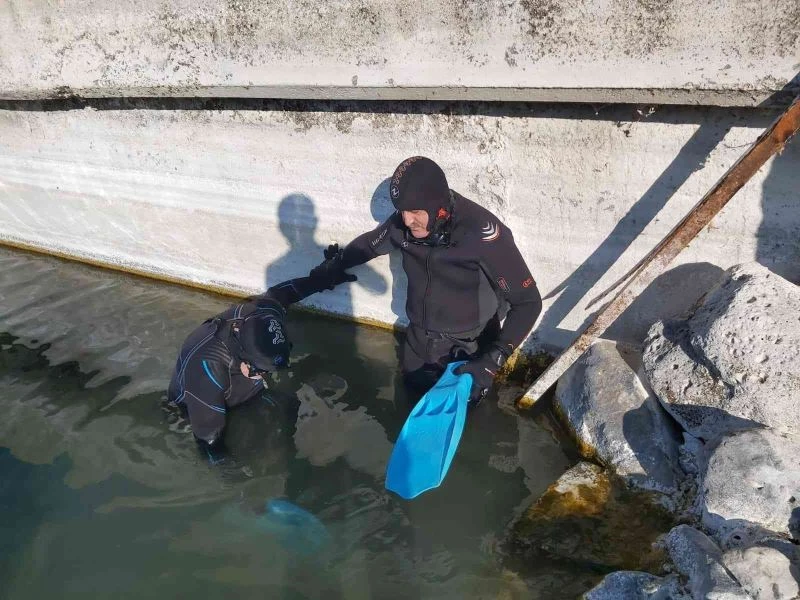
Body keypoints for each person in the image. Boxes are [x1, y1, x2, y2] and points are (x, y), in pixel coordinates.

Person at [313, 156, 543, 402]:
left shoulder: (482, 233)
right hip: (419, 342)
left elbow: (528, 302)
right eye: (401, 211)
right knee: (406, 404)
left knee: (468, 422)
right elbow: (370, 244)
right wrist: (334, 267)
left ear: (438, 207)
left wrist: (492, 360)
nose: (406, 220)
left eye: (414, 211)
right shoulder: (406, 224)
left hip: (468, 349)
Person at [167, 264, 354, 463]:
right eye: (260, 371)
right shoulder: (207, 369)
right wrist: (233, 476)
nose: (263, 376)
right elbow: (208, 442)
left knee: (290, 406)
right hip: (195, 407)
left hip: (240, 387)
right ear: (244, 361)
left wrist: (325, 278)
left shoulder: (266, 313)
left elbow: (284, 293)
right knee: (240, 446)